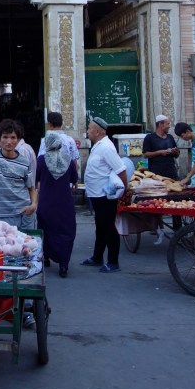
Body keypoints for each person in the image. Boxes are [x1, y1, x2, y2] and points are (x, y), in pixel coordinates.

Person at [80, 117, 126, 273]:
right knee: (100, 227)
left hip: (105, 196)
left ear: (97, 131)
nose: (87, 131)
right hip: (96, 195)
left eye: (89, 128)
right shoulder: (98, 146)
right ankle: (97, 257)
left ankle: (113, 262)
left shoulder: (106, 147)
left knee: (108, 228)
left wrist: (123, 190)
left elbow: (121, 170)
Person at [36, 131, 78, 277]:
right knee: (65, 231)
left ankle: (46, 256)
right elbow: (74, 178)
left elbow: (36, 178)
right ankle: (64, 264)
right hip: (65, 202)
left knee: (46, 229)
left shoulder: (42, 160)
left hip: (46, 202)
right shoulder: (69, 159)